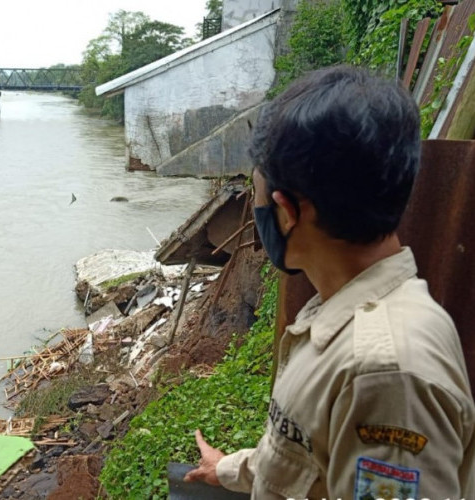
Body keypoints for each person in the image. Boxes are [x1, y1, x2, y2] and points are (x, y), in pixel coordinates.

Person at [183, 65, 475, 498]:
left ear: (286, 212)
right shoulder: (343, 313)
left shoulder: (384, 374)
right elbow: (305, 452)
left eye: (257, 195)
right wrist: (228, 469)